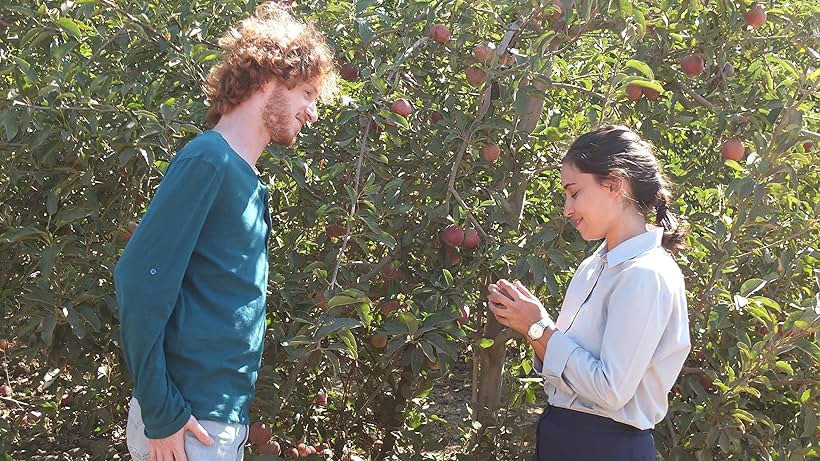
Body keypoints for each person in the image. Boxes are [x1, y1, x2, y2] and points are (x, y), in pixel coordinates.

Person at [114, 4, 338, 461]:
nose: (312, 113)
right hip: (186, 419)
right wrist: (161, 410)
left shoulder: (243, 176)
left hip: (216, 417)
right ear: (268, 78)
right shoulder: (208, 161)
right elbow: (138, 280)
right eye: (308, 94)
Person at [487, 125, 691, 461]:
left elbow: (610, 389)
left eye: (574, 192)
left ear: (614, 184)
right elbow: (576, 369)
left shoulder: (645, 274)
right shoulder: (594, 266)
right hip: (565, 437)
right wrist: (532, 326)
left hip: (607, 446)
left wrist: (539, 327)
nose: (567, 209)